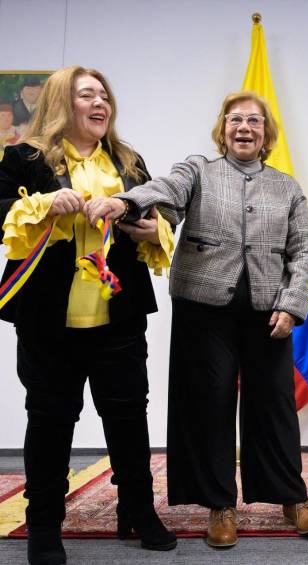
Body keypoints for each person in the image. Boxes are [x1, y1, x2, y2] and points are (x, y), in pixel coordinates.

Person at [85, 91, 308, 548]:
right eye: (235, 119)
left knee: (274, 405)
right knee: (209, 404)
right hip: (203, 309)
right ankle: (220, 505)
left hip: (268, 311)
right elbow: (166, 192)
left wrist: (293, 304)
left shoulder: (287, 187)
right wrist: (125, 203)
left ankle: (292, 499)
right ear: (222, 129)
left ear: (266, 133)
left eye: (254, 121)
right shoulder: (198, 170)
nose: (244, 128)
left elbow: (305, 248)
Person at [0, 66, 177, 565]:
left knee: (128, 416)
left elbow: (157, 214)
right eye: (87, 95)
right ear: (62, 102)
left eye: (104, 95)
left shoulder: (127, 160)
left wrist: (151, 228)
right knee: (50, 420)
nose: (101, 103)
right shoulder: (23, 157)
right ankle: (43, 523)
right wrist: (43, 203)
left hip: (119, 316)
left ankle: (137, 510)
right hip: (47, 320)